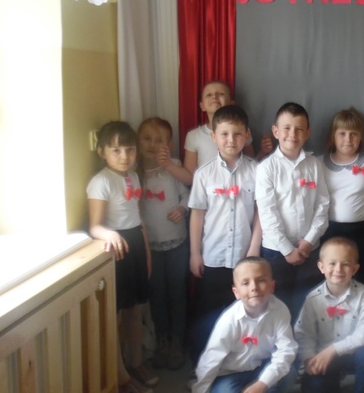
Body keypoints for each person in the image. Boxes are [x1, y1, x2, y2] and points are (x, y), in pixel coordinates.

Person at [189, 257, 298, 393]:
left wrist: (263, 383)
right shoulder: (228, 321)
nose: (254, 287)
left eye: (261, 280)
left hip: (260, 367)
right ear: (236, 292)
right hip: (228, 374)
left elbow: (286, 351)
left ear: (272, 286)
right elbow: (208, 365)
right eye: (245, 283)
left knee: (289, 374)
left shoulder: (280, 310)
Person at [188, 105, 262, 368]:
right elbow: (197, 215)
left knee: (242, 313)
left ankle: (235, 364)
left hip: (244, 256)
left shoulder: (257, 171)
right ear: (214, 137)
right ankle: (203, 366)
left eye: (238, 134)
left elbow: (260, 213)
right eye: (224, 134)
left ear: (247, 136)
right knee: (209, 314)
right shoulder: (204, 174)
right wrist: (195, 253)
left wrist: (254, 249)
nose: (231, 140)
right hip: (213, 257)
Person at [87, 121, 156, 393]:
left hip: (136, 243)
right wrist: (110, 234)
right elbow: (95, 226)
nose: (125, 156)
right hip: (117, 250)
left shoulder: (134, 177)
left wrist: (147, 253)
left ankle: (136, 362)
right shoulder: (100, 181)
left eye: (130, 149)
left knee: (135, 311)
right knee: (115, 316)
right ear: (102, 152)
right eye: (116, 150)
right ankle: (120, 376)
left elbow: (138, 219)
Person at [294, 237, 364, 393]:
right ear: (321, 267)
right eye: (332, 263)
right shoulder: (313, 299)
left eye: (345, 264)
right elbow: (303, 333)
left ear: (355, 268)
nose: (338, 269)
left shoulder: (363, 294)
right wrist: (309, 359)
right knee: (312, 389)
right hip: (325, 357)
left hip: (352, 354)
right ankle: (331, 381)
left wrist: (334, 349)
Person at [255, 102, 330, 315]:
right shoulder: (266, 168)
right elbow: (267, 213)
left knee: (307, 306)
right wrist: (287, 250)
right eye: (286, 128)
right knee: (277, 306)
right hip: (276, 252)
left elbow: (323, 205)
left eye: (299, 129)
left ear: (307, 133)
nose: (292, 134)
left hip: (310, 249)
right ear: (276, 131)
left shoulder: (315, 164)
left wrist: (309, 241)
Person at [320, 108, 364, 313]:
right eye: (342, 133)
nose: (348, 139)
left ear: (361, 137)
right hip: (331, 234)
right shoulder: (319, 163)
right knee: (336, 287)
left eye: (354, 134)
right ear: (333, 136)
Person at [137, 117, 190, 371]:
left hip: (177, 243)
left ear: (169, 144)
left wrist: (181, 209)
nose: (152, 144)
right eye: (147, 138)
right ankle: (162, 339)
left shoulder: (174, 167)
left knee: (177, 292)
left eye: (159, 140)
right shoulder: (134, 173)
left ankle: (177, 341)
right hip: (151, 248)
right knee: (156, 294)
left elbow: (188, 194)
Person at [183, 80, 273, 183]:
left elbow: (250, 163)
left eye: (221, 94)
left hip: (237, 186)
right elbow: (190, 177)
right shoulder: (194, 136)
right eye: (209, 95)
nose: (214, 97)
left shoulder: (242, 131)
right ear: (202, 105)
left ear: (231, 103)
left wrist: (262, 152)